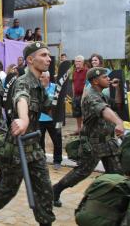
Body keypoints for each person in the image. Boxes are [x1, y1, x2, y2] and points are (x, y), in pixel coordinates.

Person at [0, 42, 55, 226]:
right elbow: (21, 98)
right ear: (30, 59)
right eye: (43, 55)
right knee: (7, 189)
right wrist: (24, 119)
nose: (48, 58)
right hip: (17, 146)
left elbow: (48, 106)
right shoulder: (23, 81)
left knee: (44, 189)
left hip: (33, 145)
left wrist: (49, 91)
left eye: (48, 55)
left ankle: (46, 222)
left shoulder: (38, 83)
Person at [53, 67, 124, 207]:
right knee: (81, 172)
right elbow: (104, 110)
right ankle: (56, 189)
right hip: (93, 144)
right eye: (105, 77)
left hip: (108, 142)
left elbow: (117, 106)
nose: (108, 79)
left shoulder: (101, 93)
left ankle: (116, 203)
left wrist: (118, 89)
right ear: (96, 81)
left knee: (117, 174)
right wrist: (118, 122)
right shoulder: (90, 96)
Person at [38, 71, 62, 170]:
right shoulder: (37, 88)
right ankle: (42, 160)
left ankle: (57, 161)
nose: (41, 79)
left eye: (43, 77)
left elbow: (60, 102)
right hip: (40, 119)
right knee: (40, 141)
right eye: (40, 77)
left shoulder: (56, 88)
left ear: (48, 78)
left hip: (54, 120)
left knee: (57, 141)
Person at [72, 55, 88, 135]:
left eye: (79, 61)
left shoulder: (86, 71)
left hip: (84, 95)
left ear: (83, 62)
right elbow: (73, 83)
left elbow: (87, 84)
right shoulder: (74, 72)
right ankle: (78, 128)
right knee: (77, 113)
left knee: (84, 112)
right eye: (76, 61)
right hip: (76, 95)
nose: (77, 63)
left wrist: (85, 95)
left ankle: (85, 128)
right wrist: (73, 94)